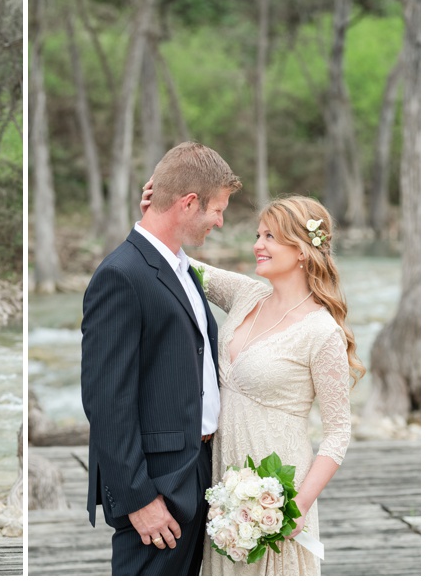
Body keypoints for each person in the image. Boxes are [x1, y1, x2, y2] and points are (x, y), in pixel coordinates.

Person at [140, 188, 360, 575]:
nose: (258, 244)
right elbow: (183, 267)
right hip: (223, 476)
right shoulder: (246, 295)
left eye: (270, 237)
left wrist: (297, 507)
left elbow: (338, 432)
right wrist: (156, 217)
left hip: (276, 487)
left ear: (304, 250)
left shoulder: (322, 332)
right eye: (258, 235)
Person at [81, 141, 242, 575]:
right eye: (217, 210)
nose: (220, 222)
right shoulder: (121, 275)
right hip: (156, 487)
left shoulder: (183, 269)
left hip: (200, 472)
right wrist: (138, 499)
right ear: (189, 203)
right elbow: (105, 401)